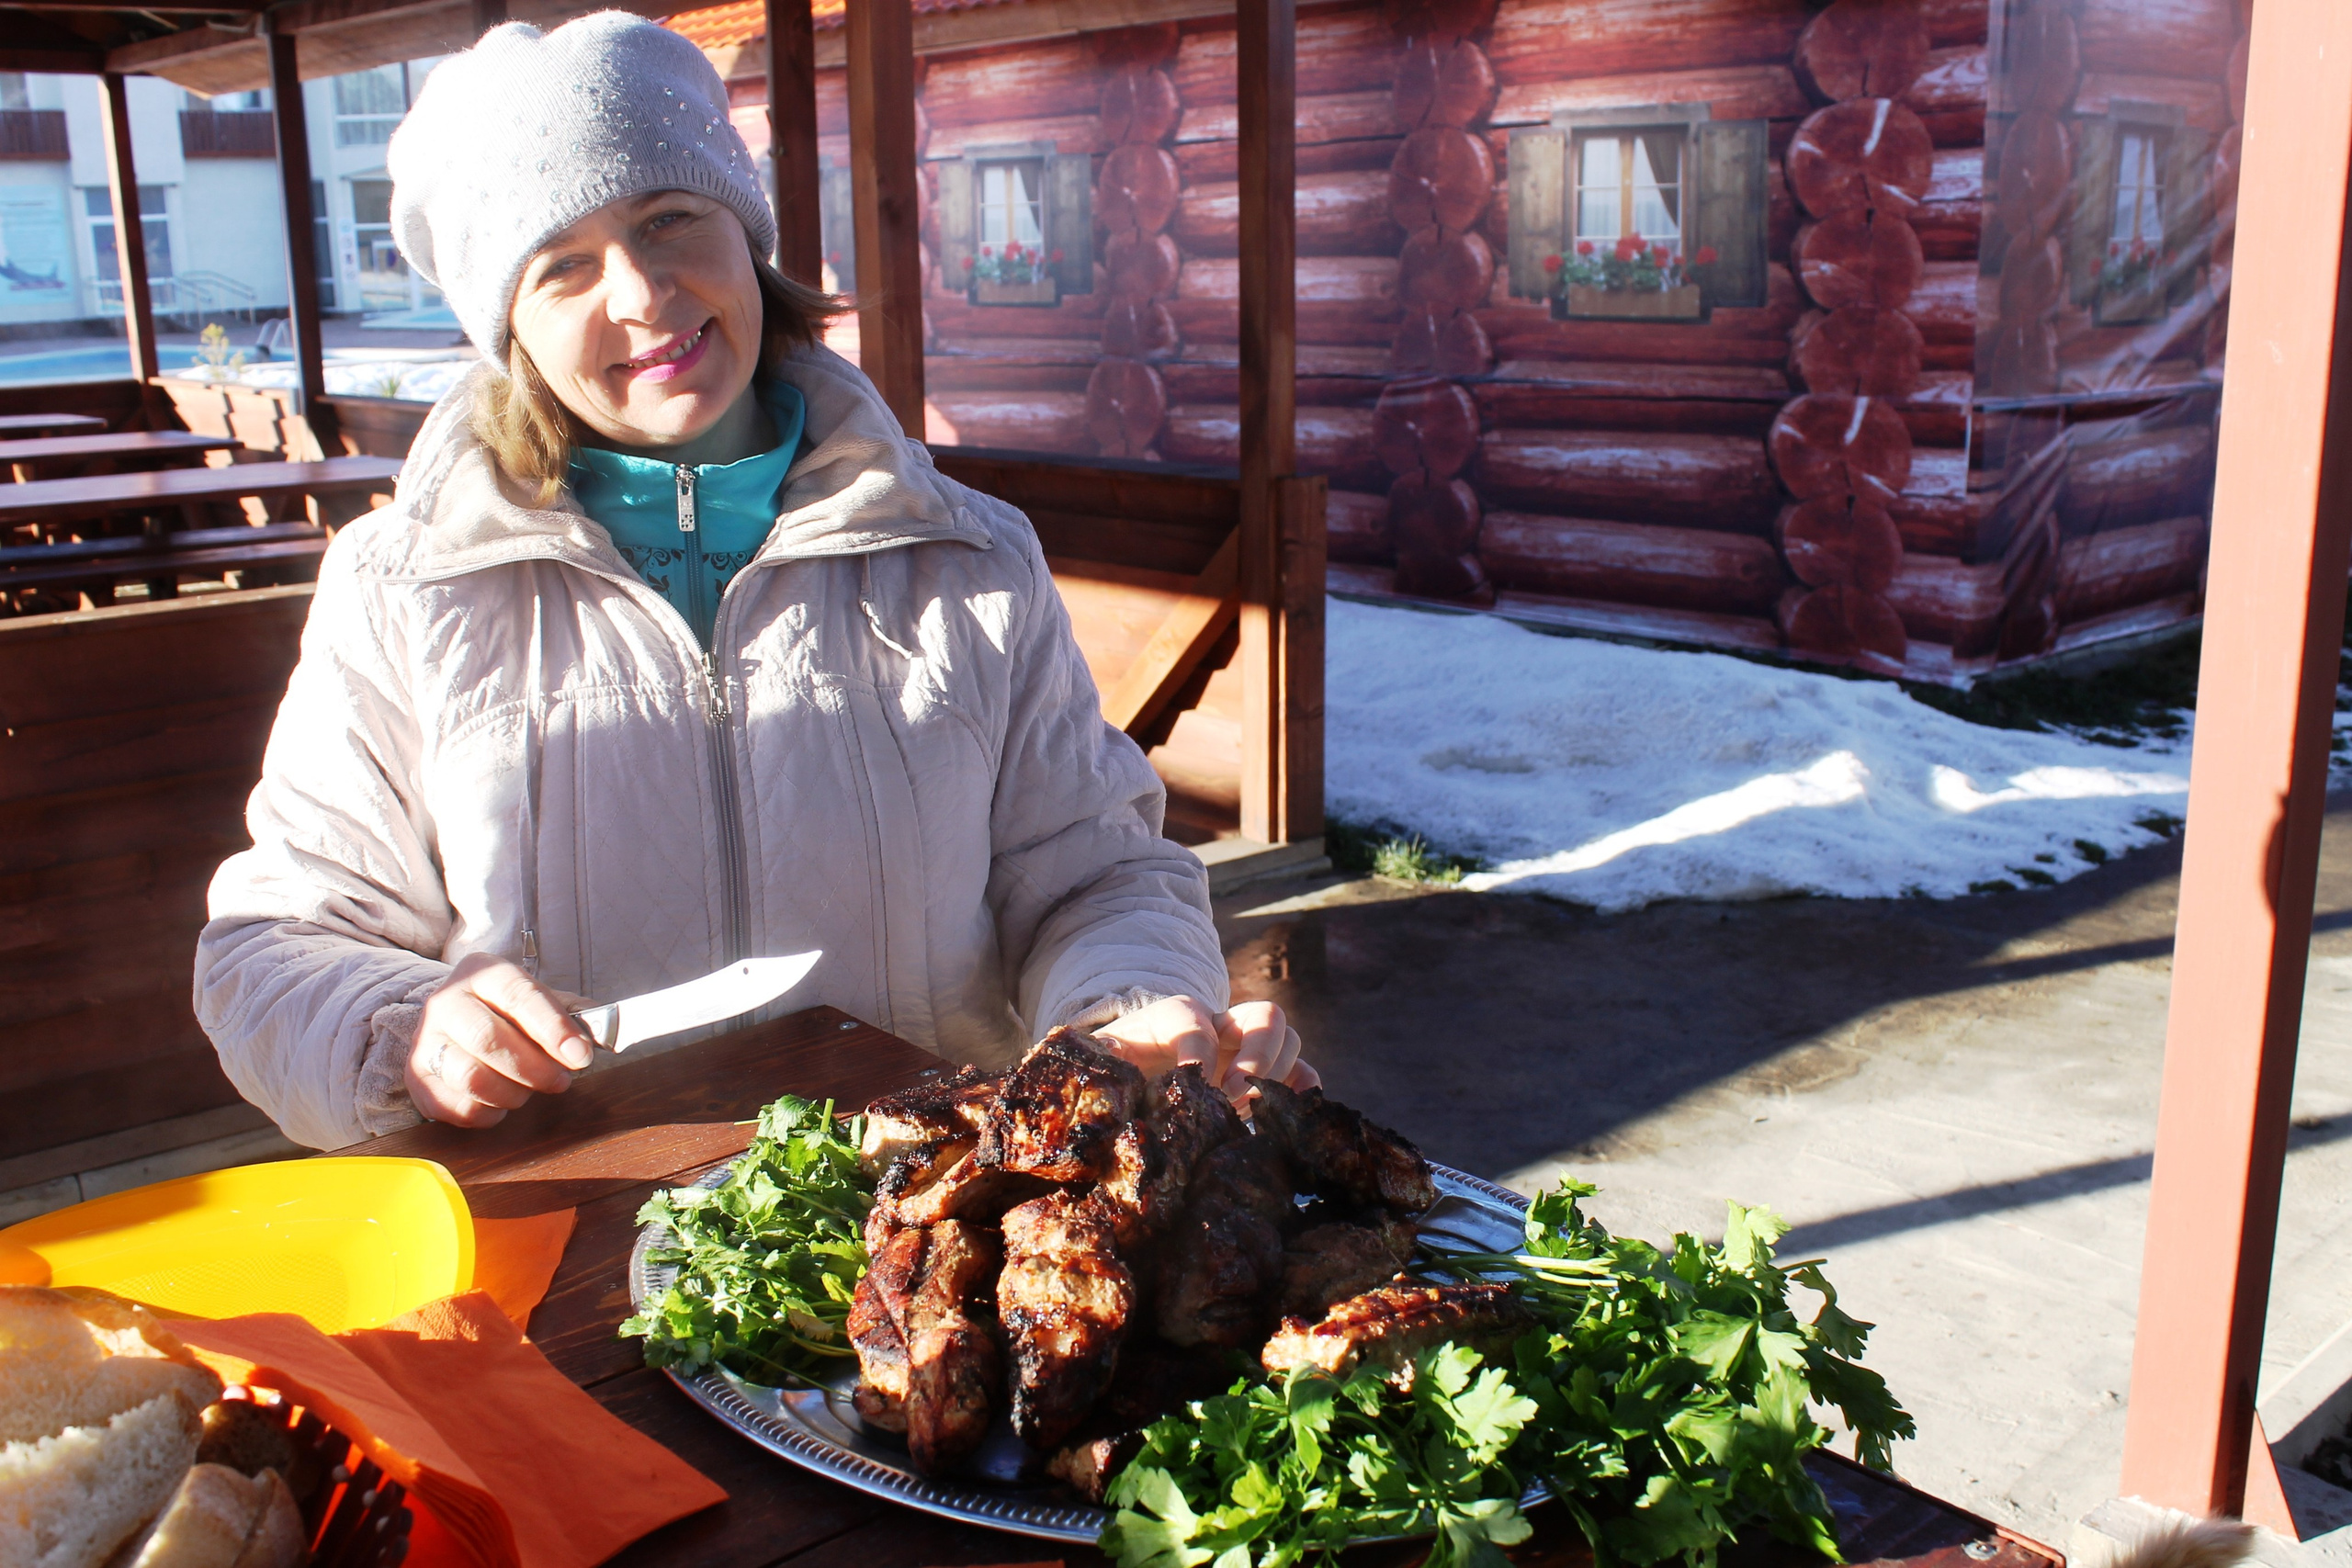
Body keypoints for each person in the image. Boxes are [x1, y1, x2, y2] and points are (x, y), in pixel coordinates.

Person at [193, 12, 1312, 1150]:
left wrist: (1124, 1016)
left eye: (669, 217)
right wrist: (403, 1027)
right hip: (574, 1246)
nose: (640, 293)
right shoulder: (406, 588)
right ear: (510, 328)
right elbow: (276, 941)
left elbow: (1097, 874)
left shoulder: (967, 558)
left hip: (932, 1224)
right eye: (563, 266)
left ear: (747, 236)